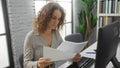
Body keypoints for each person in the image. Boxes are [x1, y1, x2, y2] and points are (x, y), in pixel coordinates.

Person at [24, 2, 81, 68]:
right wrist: (38, 64)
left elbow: (63, 53)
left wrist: (72, 57)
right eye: (53, 18)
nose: (56, 22)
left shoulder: (56, 33)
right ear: (45, 16)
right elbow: (26, 64)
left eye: (59, 19)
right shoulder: (31, 37)